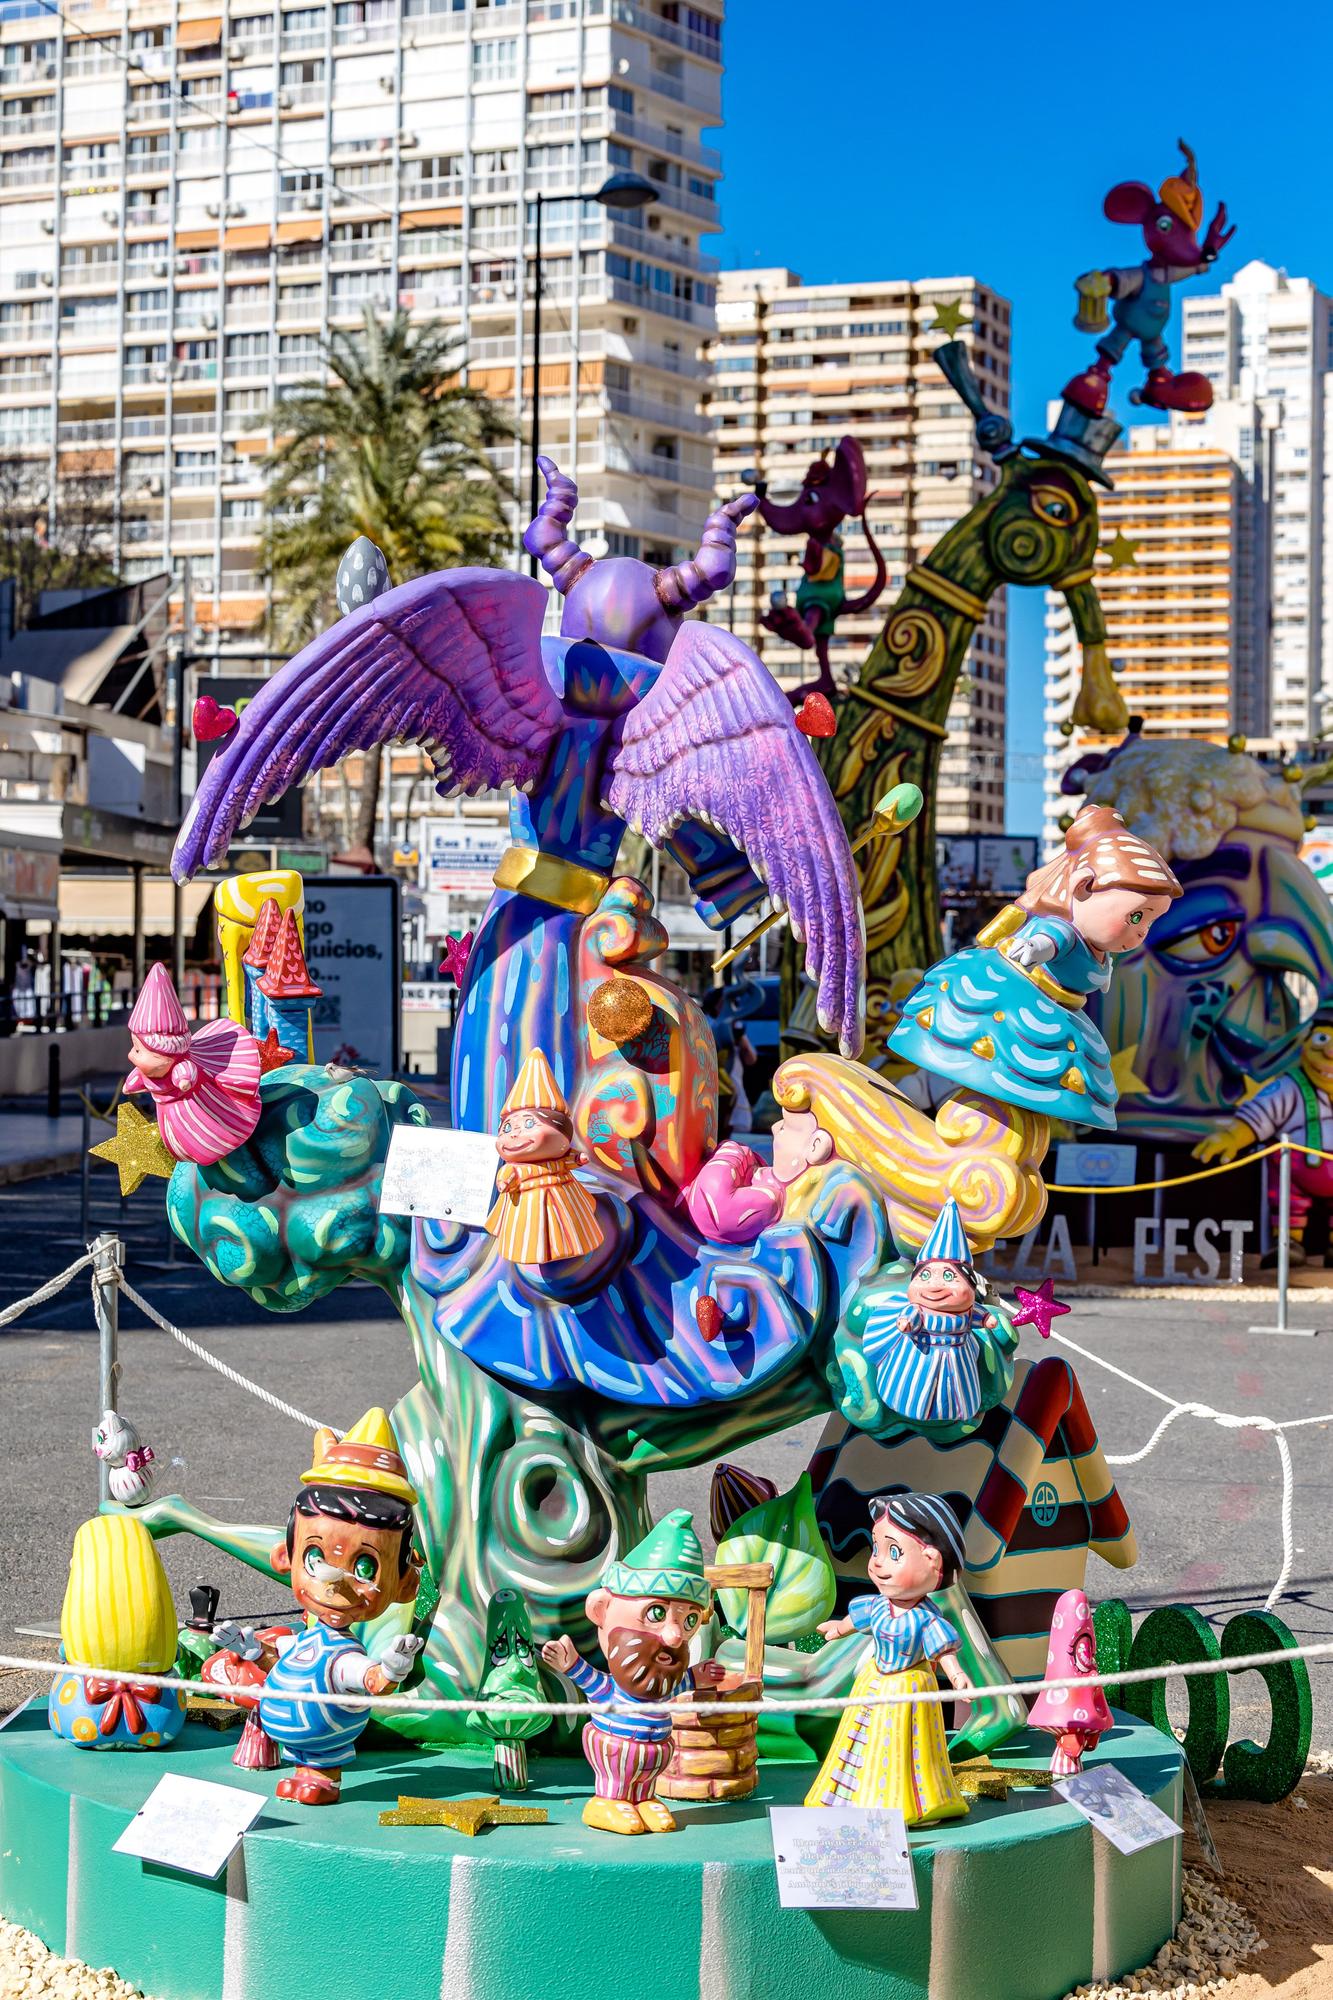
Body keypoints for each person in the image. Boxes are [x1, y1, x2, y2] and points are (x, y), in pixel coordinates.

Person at [889, 804, 1181, 1129]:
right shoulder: (1064, 931)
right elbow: (1051, 940)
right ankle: (927, 1092)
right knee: (987, 1055)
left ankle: (995, 1116)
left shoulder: (1097, 949)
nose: (1142, 931)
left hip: (1060, 1010)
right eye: (1137, 916)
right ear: (1083, 887)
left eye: (1151, 921)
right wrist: (1035, 947)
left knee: (1031, 1069)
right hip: (1020, 998)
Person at [258, 1408, 423, 1805]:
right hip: (292, 1742)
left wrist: (391, 1669)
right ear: (286, 1555)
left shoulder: (344, 1657)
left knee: (318, 1769)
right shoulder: (307, 1640)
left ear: (403, 1585)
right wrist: (248, 1649)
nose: (333, 1578)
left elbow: (371, 1682)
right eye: (315, 1558)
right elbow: (276, 1658)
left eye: (364, 1567)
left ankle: (322, 1777)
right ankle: (304, 1771)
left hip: (323, 1743)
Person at [541, 1509, 726, 1835]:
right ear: (601, 1610)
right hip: (615, 1745)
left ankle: (642, 1800)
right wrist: (570, 1663)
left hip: (656, 1749)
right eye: (656, 1613)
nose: (674, 1636)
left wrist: (698, 1676)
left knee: (645, 1783)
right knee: (617, 1774)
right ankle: (606, 1803)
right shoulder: (614, 1689)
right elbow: (592, 1681)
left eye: (688, 1621)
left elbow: (680, 1682)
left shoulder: (664, 1681)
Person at [804, 1491, 972, 1825]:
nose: (878, 1561)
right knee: (860, 1742)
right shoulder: (879, 1606)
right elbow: (859, 1620)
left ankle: (907, 1803)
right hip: (873, 1681)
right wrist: (840, 1628)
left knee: (901, 1749)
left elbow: (943, 1651)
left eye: (893, 1551)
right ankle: (853, 1796)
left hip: (908, 1689)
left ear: (932, 1560)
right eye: (877, 1548)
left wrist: (957, 1676)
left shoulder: (926, 1618)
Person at [1193, 1010, 1333, 1267]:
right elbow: (1260, 1114)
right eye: (1322, 1041)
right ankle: (1288, 1242)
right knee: (1286, 1195)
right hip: (1295, 1172)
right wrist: (1231, 1137)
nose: (1329, 1054)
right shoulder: (1289, 1087)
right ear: (1305, 1044)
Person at [859, 1199, 997, 1427]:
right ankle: (910, 1405)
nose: (935, 1285)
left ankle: (955, 1410)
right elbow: (912, 1316)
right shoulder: (918, 1309)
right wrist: (906, 1323)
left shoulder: (966, 1310)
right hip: (921, 1357)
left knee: (957, 1390)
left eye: (949, 1277)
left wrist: (987, 1319)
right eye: (925, 1276)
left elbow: (976, 1314)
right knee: (917, 1388)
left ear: (969, 1283)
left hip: (958, 1358)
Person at [485, 1047, 604, 1264]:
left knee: (570, 1232)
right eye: (508, 1127)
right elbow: (506, 1174)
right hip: (526, 1209)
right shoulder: (515, 1168)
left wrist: (577, 1160)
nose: (515, 1134)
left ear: (561, 1129)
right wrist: (505, 1181)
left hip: (564, 1203)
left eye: (530, 1123)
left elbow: (567, 1160)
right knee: (530, 1237)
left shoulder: (558, 1159)